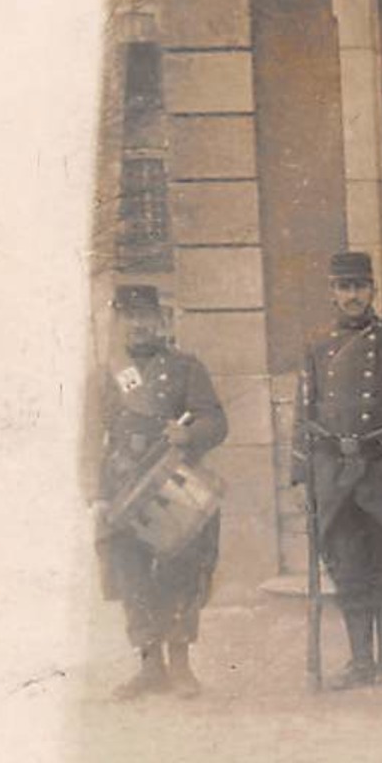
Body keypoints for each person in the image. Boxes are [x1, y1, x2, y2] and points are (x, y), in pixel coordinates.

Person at [292, 251, 382, 690]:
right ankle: (359, 661)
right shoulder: (315, 345)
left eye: (359, 286)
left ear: (373, 290)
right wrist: (300, 476)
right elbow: (303, 413)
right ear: (332, 292)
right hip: (334, 473)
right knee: (348, 567)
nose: (352, 296)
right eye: (343, 287)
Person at [91, 284, 229, 699]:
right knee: (132, 575)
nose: (137, 325)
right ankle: (150, 667)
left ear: (161, 320)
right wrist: (94, 496)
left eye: (145, 315)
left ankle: (181, 665)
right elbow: (87, 439)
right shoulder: (106, 375)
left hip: (175, 486)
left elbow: (216, 422)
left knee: (181, 571)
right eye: (128, 317)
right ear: (119, 323)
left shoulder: (186, 368)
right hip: (122, 490)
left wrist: (187, 434)